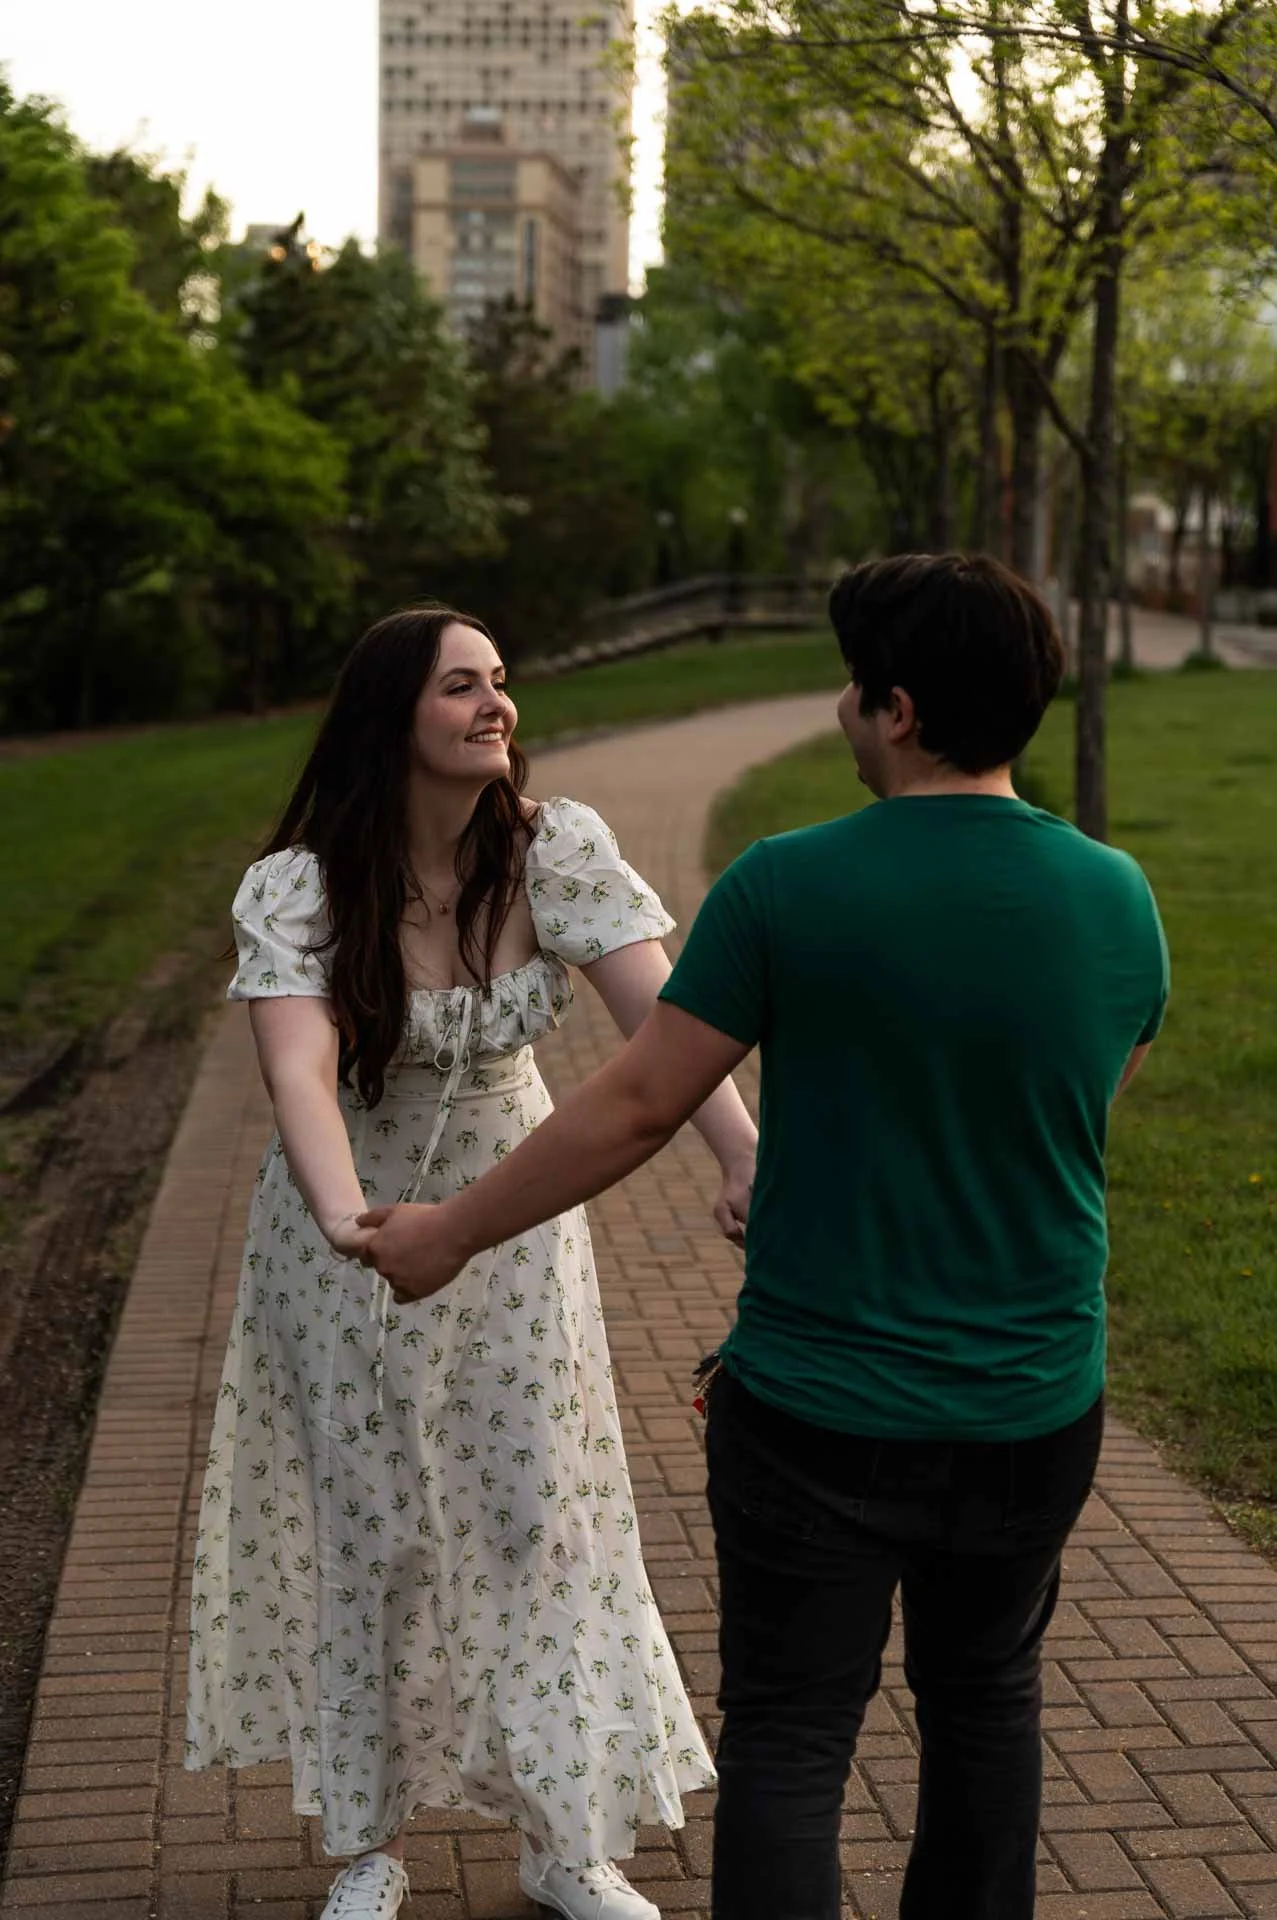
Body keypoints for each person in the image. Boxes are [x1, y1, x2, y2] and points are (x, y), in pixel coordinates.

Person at [358, 554, 1171, 1920]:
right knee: (987, 1702)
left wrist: (450, 1230)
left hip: (819, 1409)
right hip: (1035, 1405)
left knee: (794, 1731)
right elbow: (1091, 1093)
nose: (843, 707)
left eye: (854, 685)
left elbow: (635, 1105)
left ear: (898, 711)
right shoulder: (1118, 894)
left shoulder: (792, 883)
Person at [184, 606, 759, 1920]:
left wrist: (741, 1152)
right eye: (461, 686)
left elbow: (668, 1026)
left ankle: (566, 1839)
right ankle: (371, 1846)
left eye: (500, 680)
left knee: (535, 1516)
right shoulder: (299, 887)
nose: (497, 704)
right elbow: (299, 1073)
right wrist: (350, 1226)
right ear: (390, 718)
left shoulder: (556, 851)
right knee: (373, 1524)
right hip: (340, 1235)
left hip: (514, 1225)